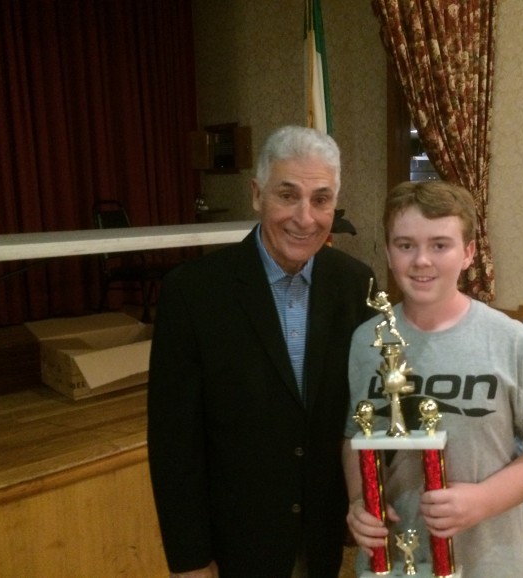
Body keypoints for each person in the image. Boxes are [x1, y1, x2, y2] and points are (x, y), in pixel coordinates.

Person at [148, 125, 376, 578]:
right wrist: (190, 558)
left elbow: (360, 411)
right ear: (257, 195)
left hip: (321, 535)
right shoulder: (192, 293)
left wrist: (361, 501)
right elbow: (174, 443)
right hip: (236, 541)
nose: (305, 218)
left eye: (321, 199)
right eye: (287, 195)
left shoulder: (356, 284)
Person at [342, 180, 523, 577]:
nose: (421, 260)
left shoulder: (513, 342)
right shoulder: (367, 341)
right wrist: (357, 500)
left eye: (440, 245)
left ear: (468, 253)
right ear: (388, 251)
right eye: (405, 245)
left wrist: (484, 499)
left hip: (487, 561)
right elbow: (356, 433)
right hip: (393, 562)